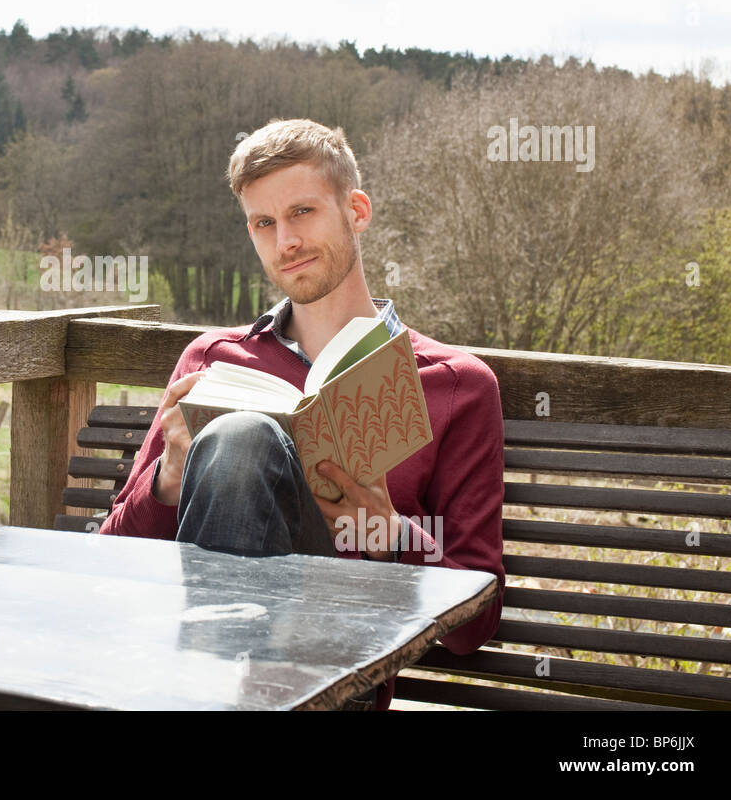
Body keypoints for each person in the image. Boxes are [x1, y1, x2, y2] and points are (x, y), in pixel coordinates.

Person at [99, 118, 505, 710]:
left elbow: (475, 626)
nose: (285, 241)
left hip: (336, 680)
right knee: (241, 437)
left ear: (357, 211)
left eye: (303, 213)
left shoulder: (455, 386)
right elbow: (114, 564)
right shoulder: (214, 362)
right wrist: (169, 479)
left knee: (240, 436)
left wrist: (388, 534)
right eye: (265, 223)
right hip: (198, 673)